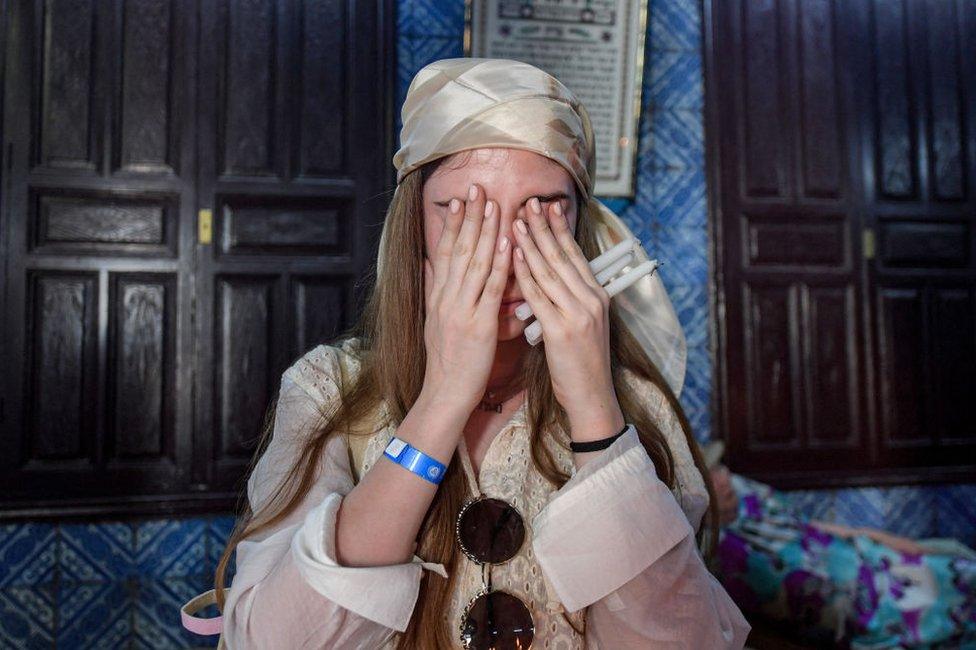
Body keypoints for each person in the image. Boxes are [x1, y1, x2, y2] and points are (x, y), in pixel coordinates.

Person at [184, 57, 750, 649]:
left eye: (543, 210)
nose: (504, 252)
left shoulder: (640, 404)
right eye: (462, 211)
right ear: (414, 229)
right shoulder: (326, 390)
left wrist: (595, 415)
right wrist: (442, 400)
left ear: (580, 227)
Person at [708, 465, 976, 648]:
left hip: (873, 560)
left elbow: (816, 526)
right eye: (712, 475)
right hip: (865, 608)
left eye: (720, 469)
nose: (724, 476)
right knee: (945, 610)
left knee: (959, 570)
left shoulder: (748, 498)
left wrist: (900, 545)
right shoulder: (724, 554)